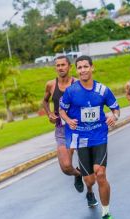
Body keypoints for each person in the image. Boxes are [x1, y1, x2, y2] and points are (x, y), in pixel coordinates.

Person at [59, 55, 120, 219]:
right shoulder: (71, 91)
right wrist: (68, 120)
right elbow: (62, 110)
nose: (83, 70)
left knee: (100, 174)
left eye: (86, 66)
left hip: (99, 136)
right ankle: (89, 191)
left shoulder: (102, 90)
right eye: (79, 67)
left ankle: (106, 214)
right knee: (90, 179)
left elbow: (116, 108)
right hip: (81, 138)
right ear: (76, 70)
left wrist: (114, 116)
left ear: (92, 68)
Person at [42, 55, 84, 193]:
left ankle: (90, 193)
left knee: (89, 168)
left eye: (63, 65)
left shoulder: (78, 84)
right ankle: (78, 174)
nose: (60, 68)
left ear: (69, 67)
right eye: (58, 65)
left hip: (79, 128)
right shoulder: (51, 85)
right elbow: (45, 101)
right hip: (61, 129)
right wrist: (49, 114)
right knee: (66, 167)